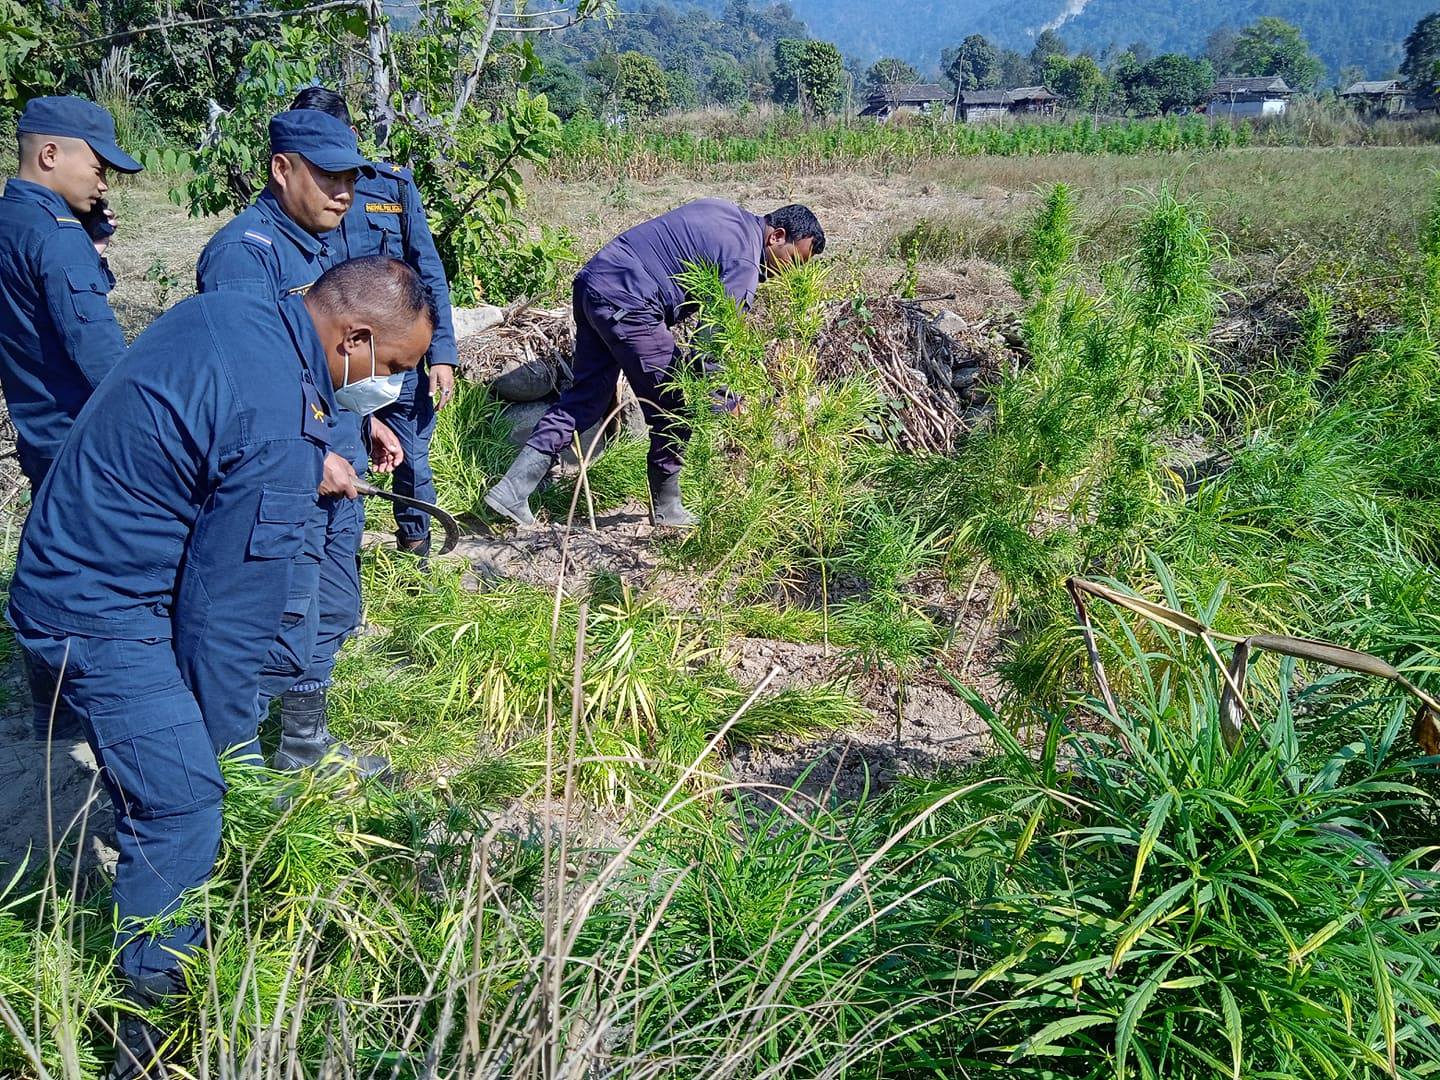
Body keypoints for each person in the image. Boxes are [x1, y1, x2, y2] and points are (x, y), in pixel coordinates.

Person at [7, 256, 436, 1077]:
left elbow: (214, 432)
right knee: (185, 800)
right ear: (351, 336)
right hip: (97, 606)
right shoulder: (275, 421)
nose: (389, 385)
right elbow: (224, 624)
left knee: (179, 766)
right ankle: (147, 1026)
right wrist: (228, 761)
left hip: (87, 560)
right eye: (393, 366)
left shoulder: (246, 316)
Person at [196, 108, 401, 777]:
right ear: (282, 170)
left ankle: (305, 744)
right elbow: (247, 388)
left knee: (333, 605)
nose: (344, 191)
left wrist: (366, 413)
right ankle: (238, 768)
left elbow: (331, 353)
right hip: (289, 472)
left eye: (350, 177)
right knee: (279, 614)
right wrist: (309, 456)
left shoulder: (323, 244)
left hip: (335, 445)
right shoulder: (243, 254)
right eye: (328, 175)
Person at [484, 199, 824, 529]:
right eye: (794, 261)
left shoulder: (723, 211)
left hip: (595, 282)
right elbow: (713, 345)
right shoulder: (745, 261)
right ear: (776, 236)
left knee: (588, 396)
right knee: (676, 402)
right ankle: (667, 508)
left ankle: (512, 490)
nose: (787, 274)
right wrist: (727, 402)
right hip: (629, 303)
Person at [290, 86, 459, 567]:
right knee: (342, 457)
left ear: (353, 135)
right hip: (332, 361)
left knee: (412, 460)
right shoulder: (295, 205)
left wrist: (442, 353)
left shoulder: (393, 187)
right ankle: (342, 570)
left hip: (396, 357)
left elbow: (428, 274)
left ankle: (416, 555)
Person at [0, 95, 142, 492]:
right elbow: (101, 360)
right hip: (78, 442)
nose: (103, 185)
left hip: (35, 432)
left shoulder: (11, 219)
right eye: (98, 169)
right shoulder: (59, 236)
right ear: (49, 154)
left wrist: (92, 250)